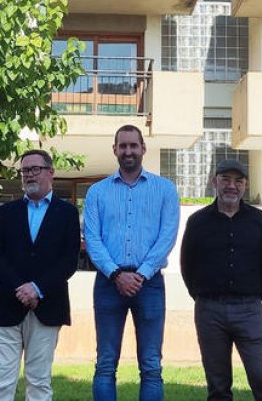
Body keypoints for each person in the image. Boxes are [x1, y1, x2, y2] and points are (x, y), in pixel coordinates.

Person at [83, 124, 180, 401]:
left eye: (133, 145)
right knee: (105, 364)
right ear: (114, 150)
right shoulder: (97, 192)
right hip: (107, 283)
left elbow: (167, 236)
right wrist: (115, 274)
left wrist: (141, 274)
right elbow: (92, 238)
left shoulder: (165, 190)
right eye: (122, 146)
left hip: (149, 284)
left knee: (151, 366)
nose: (128, 151)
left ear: (143, 149)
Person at [0, 149, 82, 401]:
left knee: (39, 382)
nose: (28, 175)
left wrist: (37, 288)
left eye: (34, 169)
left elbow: (69, 260)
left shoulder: (68, 213)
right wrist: (21, 288)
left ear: (51, 172)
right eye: (25, 170)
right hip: (6, 305)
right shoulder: (7, 212)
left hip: (47, 307)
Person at [180, 158, 262, 401]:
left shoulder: (258, 220)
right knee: (218, 386)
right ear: (215, 182)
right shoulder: (198, 221)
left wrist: (255, 293)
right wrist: (202, 296)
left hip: (249, 310)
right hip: (209, 310)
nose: (231, 186)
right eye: (226, 179)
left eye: (238, 181)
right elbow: (187, 264)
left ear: (245, 186)